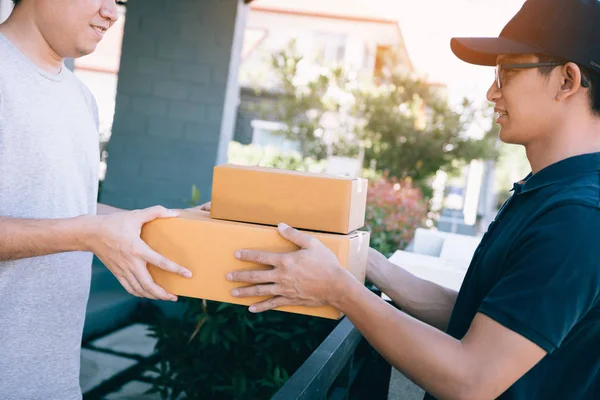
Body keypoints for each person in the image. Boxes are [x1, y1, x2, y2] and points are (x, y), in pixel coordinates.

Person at [220, 0, 600, 398]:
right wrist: (364, 261)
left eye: (506, 74)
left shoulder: (578, 216)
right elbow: (477, 317)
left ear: (566, 81)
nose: (492, 93)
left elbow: (472, 380)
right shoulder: (549, 192)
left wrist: (339, 290)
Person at [0, 0, 198, 398]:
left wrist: (166, 223)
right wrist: (88, 234)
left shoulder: (81, 98)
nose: (113, 12)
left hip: (51, 381)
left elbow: (69, 208)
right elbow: (81, 229)